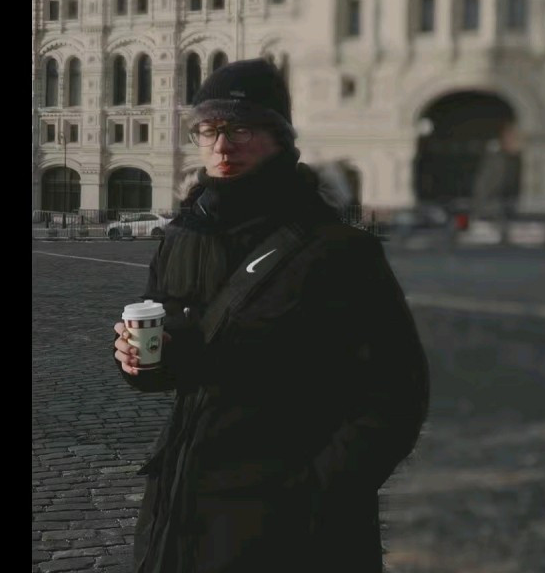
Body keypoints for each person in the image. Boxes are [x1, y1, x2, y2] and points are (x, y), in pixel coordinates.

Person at [113, 57, 430, 573]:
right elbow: (176, 355)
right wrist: (138, 361)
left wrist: (312, 493)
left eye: (240, 129)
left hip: (293, 525)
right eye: (209, 130)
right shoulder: (183, 237)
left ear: (279, 138)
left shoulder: (338, 249)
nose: (222, 145)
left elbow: (396, 394)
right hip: (182, 509)